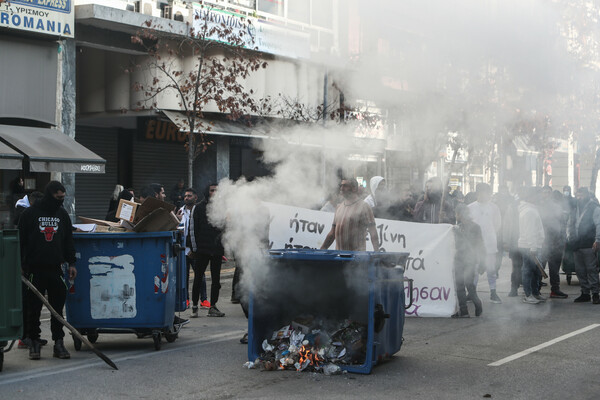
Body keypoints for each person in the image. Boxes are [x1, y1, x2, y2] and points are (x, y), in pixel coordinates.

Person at [18, 181, 77, 360]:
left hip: (56, 269)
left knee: (57, 309)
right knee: (33, 309)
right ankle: (34, 341)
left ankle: (58, 342)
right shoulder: (29, 214)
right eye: (58, 197)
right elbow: (20, 242)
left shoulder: (62, 214)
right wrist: (20, 266)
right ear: (50, 194)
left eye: (63, 197)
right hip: (34, 270)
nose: (61, 201)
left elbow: (68, 240)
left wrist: (72, 262)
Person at [13, 191, 44, 350]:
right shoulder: (23, 214)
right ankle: (25, 337)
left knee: (33, 304)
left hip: (30, 263)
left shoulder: (27, 213)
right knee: (27, 304)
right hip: (26, 265)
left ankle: (33, 335)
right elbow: (21, 241)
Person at [191, 184, 226, 317]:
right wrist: (194, 248)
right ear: (207, 192)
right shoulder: (198, 207)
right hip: (202, 249)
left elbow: (225, 229)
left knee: (216, 280)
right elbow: (193, 229)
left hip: (217, 249)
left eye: (217, 190)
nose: (215, 193)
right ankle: (195, 306)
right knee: (198, 278)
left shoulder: (222, 208)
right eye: (212, 190)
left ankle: (213, 306)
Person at [320, 178, 380, 251]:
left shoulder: (364, 206)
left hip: (357, 258)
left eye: (345, 186)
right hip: (339, 256)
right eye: (341, 185)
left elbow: (373, 233)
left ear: (354, 188)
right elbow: (332, 233)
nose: (341, 188)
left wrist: (377, 252)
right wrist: (322, 249)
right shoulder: (339, 207)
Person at [177, 187, 210, 317]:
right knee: (184, 276)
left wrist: (194, 248)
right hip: (183, 249)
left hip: (195, 248)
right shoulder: (180, 211)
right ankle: (186, 299)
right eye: (185, 196)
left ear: (195, 197)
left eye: (189, 196)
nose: (186, 198)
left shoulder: (199, 210)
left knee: (200, 275)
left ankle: (204, 299)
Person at [468, 183, 502, 304]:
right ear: (477, 193)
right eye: (483, 192)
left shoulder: (494, 208)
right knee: (475, 269)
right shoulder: (470, 207)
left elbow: (498, 224)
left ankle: (493, 292)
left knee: (491, 269)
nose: (486, 195)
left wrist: (490, 234)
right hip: (475, 245)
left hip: (490, 243)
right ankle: (472, 293)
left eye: (488, 193)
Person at [567, 187, 600, 304]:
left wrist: (597, 240)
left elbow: (598, 224)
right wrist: (569, 237)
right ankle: (585, 293)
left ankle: (595, 293)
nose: (579, 198)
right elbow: (571, 223)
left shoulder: (594, 208)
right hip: (577, 244)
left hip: (589, 244)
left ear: (586, 195)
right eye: (578, 195)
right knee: (580, 270)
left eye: (581, 195)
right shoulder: (575, 208)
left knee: (591, 269)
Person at [453, 205, 484, 317]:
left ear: (460, 214)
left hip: (469, 259)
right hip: (460, 258)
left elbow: (480, 245)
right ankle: (464, 311)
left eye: (456, 213)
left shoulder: (475, 227)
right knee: (460, 284)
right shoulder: (457, 228)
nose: (456, 216)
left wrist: (482, 262)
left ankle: (477, 303)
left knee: (467, 284)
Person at [538, 187, 569, 299]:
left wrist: (563, 240)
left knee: (554, 269)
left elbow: (562, 225)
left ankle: (555, 290)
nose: (546, 195)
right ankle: (536, 290)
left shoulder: (557, 207)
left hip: (556, 243)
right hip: (544, 243)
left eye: (548, 192)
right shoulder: (539, 207)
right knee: (540, 268)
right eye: (544, 192)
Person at [517, 187, 546, 304]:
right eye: (538, 195)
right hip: (529, 246)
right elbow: (530, 232)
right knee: (528, 271)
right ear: (532, 197)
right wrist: (533, 247)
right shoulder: (529, 211)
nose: (540, 197)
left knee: (535, 271)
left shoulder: (531, 209)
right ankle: (528, 294)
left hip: (532, 245)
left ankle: (535, 293)